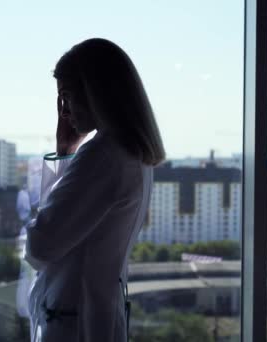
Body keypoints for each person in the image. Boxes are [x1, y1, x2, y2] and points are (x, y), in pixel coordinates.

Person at [24, 38, 166, 342]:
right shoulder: (133, 153)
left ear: (94, 94)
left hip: (74, 325)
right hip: (96, 315)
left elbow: (40, 247)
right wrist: (66, 152)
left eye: (66, 96)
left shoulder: (103, 156)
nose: (64, 109)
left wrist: (64, 157)